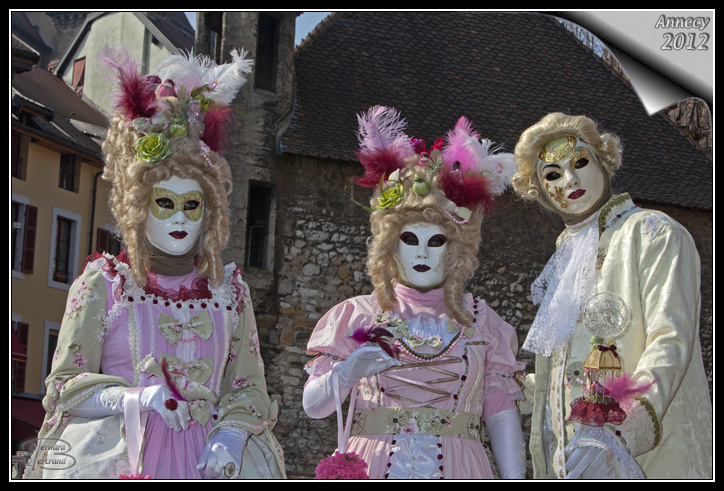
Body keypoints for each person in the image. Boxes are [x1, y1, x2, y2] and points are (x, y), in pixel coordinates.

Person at [24, 47, 285, 479]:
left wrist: (232, 434)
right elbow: (65, 386)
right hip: (125, 455)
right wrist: (135, 398)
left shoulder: (230, 295)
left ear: (210, 211)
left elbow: (249, 388)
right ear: (138, 206)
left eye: (192, 204)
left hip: (209, 460)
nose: (180, 218)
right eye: (165, 202)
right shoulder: (105, 285)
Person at [303, 106, 527, 479]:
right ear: (389, 244)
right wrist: (346, 372)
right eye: (410, 239)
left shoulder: (484, 325)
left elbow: (502, 416)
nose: (422, 253)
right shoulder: (355, 316)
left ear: (457, 249)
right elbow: (314, 406)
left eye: (436, 241)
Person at [511, 112, 712, 479]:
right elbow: (569, 372)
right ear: (540, 191)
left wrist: (618, 435)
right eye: (552, 175)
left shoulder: (653, 233)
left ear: (602, 162)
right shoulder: (567, 256)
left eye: (579, 163)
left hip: (649, 460)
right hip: (573, 463)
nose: (570, 180)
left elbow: (670, 342)